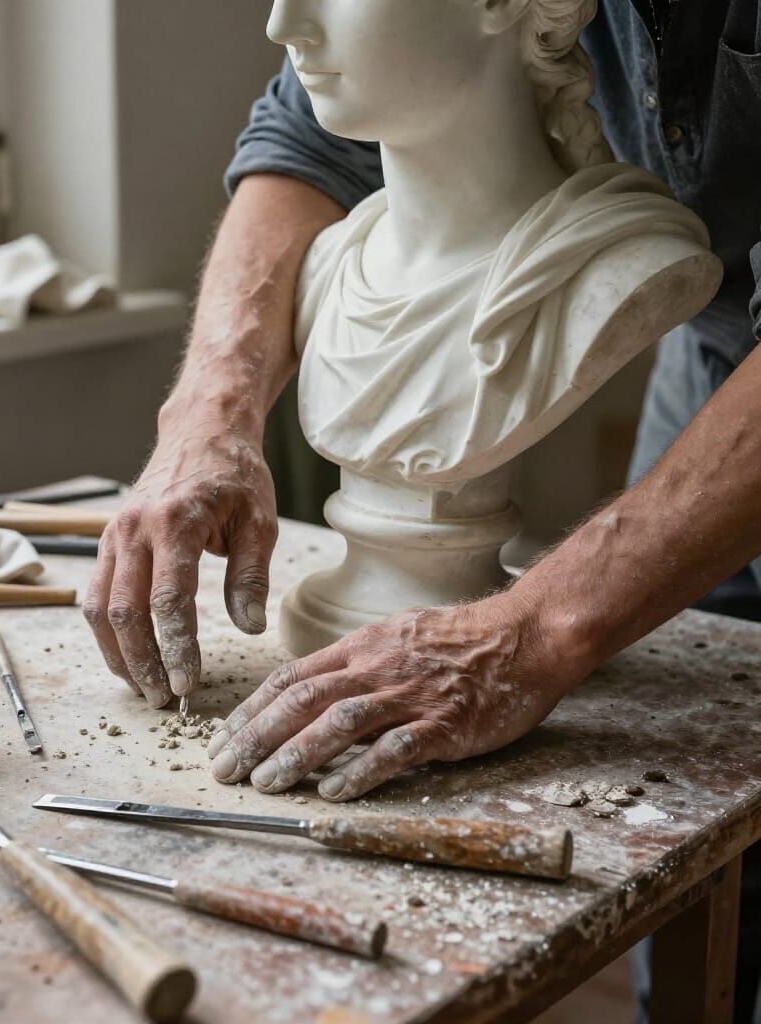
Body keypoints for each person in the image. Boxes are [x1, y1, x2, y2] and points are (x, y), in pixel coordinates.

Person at [83, 1, 761, 1010]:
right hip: (721, 357)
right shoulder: (350, 260)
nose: (281, 25)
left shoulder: (613, 269)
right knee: (702, 932)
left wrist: (532, 630)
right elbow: (305, 132)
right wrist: (209, 409)